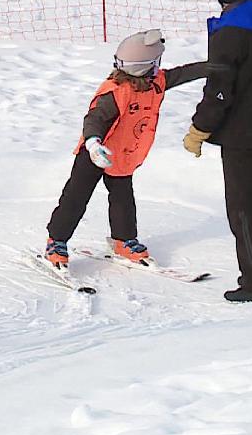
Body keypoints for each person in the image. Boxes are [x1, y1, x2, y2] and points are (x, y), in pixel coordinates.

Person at [45, 29, 208, 268]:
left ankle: (123, 240)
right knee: (76, 197)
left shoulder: (156, 83)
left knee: (123, 198)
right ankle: (56, 241)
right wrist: (93, 144)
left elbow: (182, 74)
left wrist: (212, 66)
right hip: (95, 153)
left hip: (124, 155)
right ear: (148, 66)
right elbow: (94, 120)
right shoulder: (116, 92)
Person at [182, 0, 252, 302]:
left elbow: (219, 90)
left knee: (245, 209)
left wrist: (199, 130)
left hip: (244, 136)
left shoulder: (230, 33)